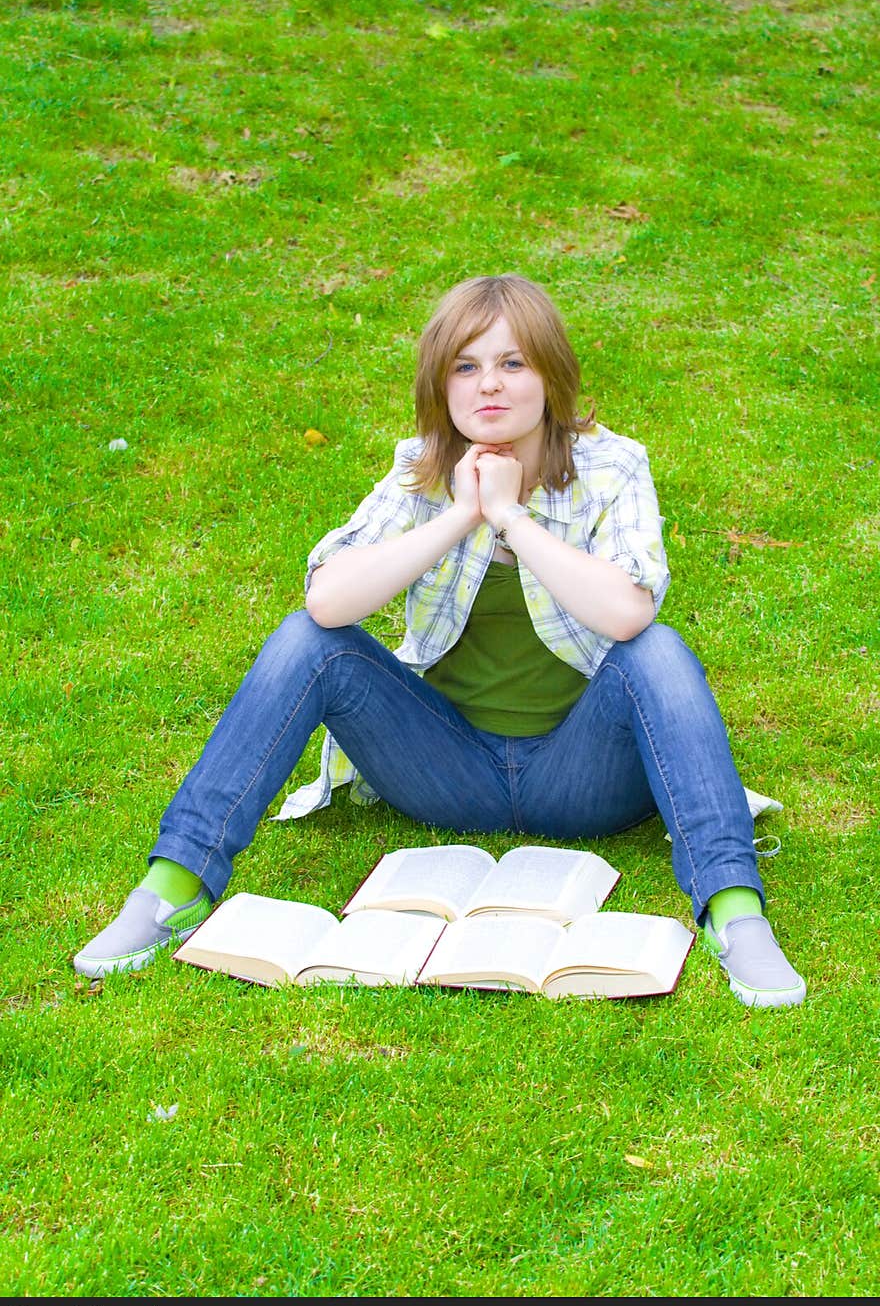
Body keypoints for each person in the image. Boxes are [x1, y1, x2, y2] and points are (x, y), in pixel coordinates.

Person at [74, 273, 805, 1008]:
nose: (489, 384)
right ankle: (171, 893)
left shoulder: (613, 467)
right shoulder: (421, 468)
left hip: (588, 776)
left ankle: (736, 912)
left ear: (551, 375)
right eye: (466, 365)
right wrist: (459, 516)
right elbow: (327, 599)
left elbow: (627, 614)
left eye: (513, 363)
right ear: (441, 384)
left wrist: (513, 518)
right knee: (308, 640)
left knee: (660, 652)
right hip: (446, 769)